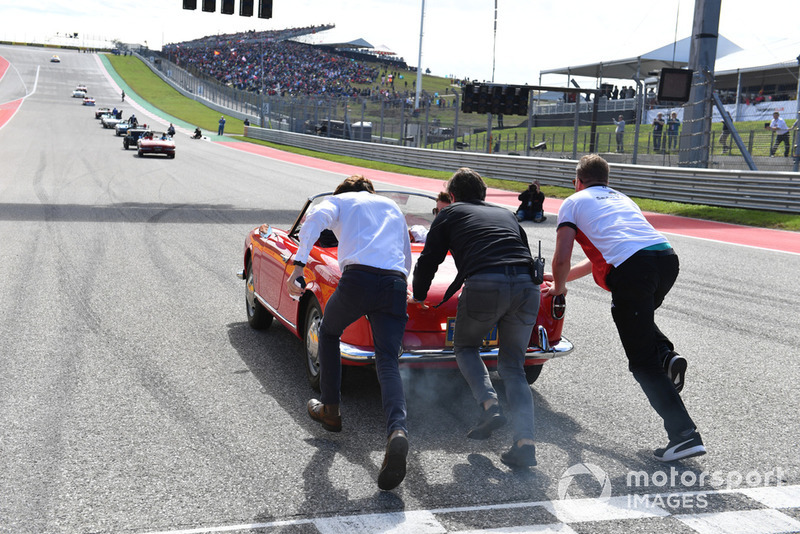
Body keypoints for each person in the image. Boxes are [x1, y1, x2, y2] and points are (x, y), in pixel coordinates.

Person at [544, 154, 705, 463]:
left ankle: (684, 435)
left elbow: (561, 256)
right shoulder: (621, 199)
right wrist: (563, 278)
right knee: (640, 324)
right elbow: (605, 253)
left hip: (634, 270)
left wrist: (559, 287)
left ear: (577, 181)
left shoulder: (574, 202)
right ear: (607, 181)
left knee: (642, 362)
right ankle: (667, 355)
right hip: (666, 260)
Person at [286, 175, 412, 491]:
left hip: (359, 279)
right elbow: (406, 252)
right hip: (396, 281)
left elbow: (314, 218)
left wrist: (300, 265)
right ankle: (397, 431)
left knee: (329, 332)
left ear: (343, 191)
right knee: (387, 360)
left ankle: (330, 409)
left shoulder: (339, 201)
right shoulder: (391, 206)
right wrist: (400, 286)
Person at [412, 168, 541, 469]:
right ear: (484, 195)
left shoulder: (449, 213)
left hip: (486, 284)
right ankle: (525, 443)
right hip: (526, 287)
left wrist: (419, 296)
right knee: (513, 367)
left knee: (466, 346)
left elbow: (429, 259)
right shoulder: (507, 214)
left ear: (453, 196)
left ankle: (489, 404)